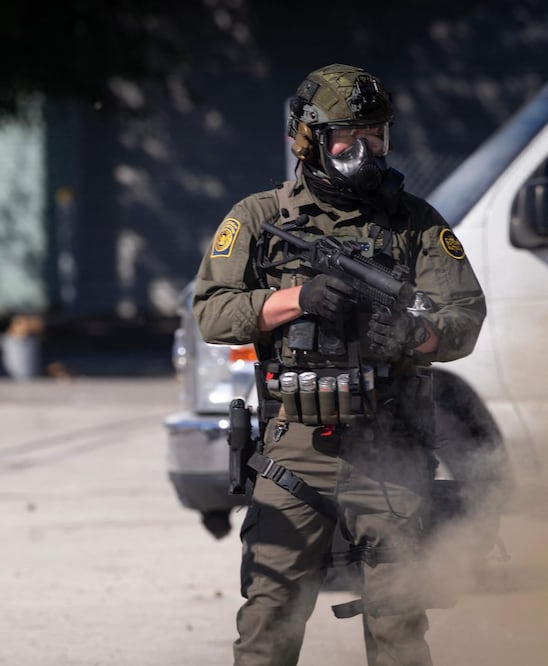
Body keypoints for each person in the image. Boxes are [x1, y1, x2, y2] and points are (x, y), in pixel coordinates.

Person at [192, 64, 486, 665]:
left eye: (375, 136)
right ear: (308, 139)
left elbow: (466, 315)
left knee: (400, 624)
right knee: (269, 619)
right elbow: (213, 314)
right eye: (347, 137)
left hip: (390, 442)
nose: (364, 151)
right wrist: (295, 299)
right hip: (296, 445)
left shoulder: (416, 222)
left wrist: (417, 336)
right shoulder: (258, 218)